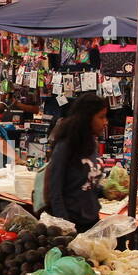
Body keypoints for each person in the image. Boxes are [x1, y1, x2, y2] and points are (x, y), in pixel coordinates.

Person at [43, 95, 108, 232]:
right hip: (72, 223)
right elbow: (54, 191)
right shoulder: (66, 146)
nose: (105, 122)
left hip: (91, 221)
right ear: (87, 118)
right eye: (101, 117)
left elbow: (85, 184)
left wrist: (107, 191)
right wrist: (67, 228)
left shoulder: (91, 143)